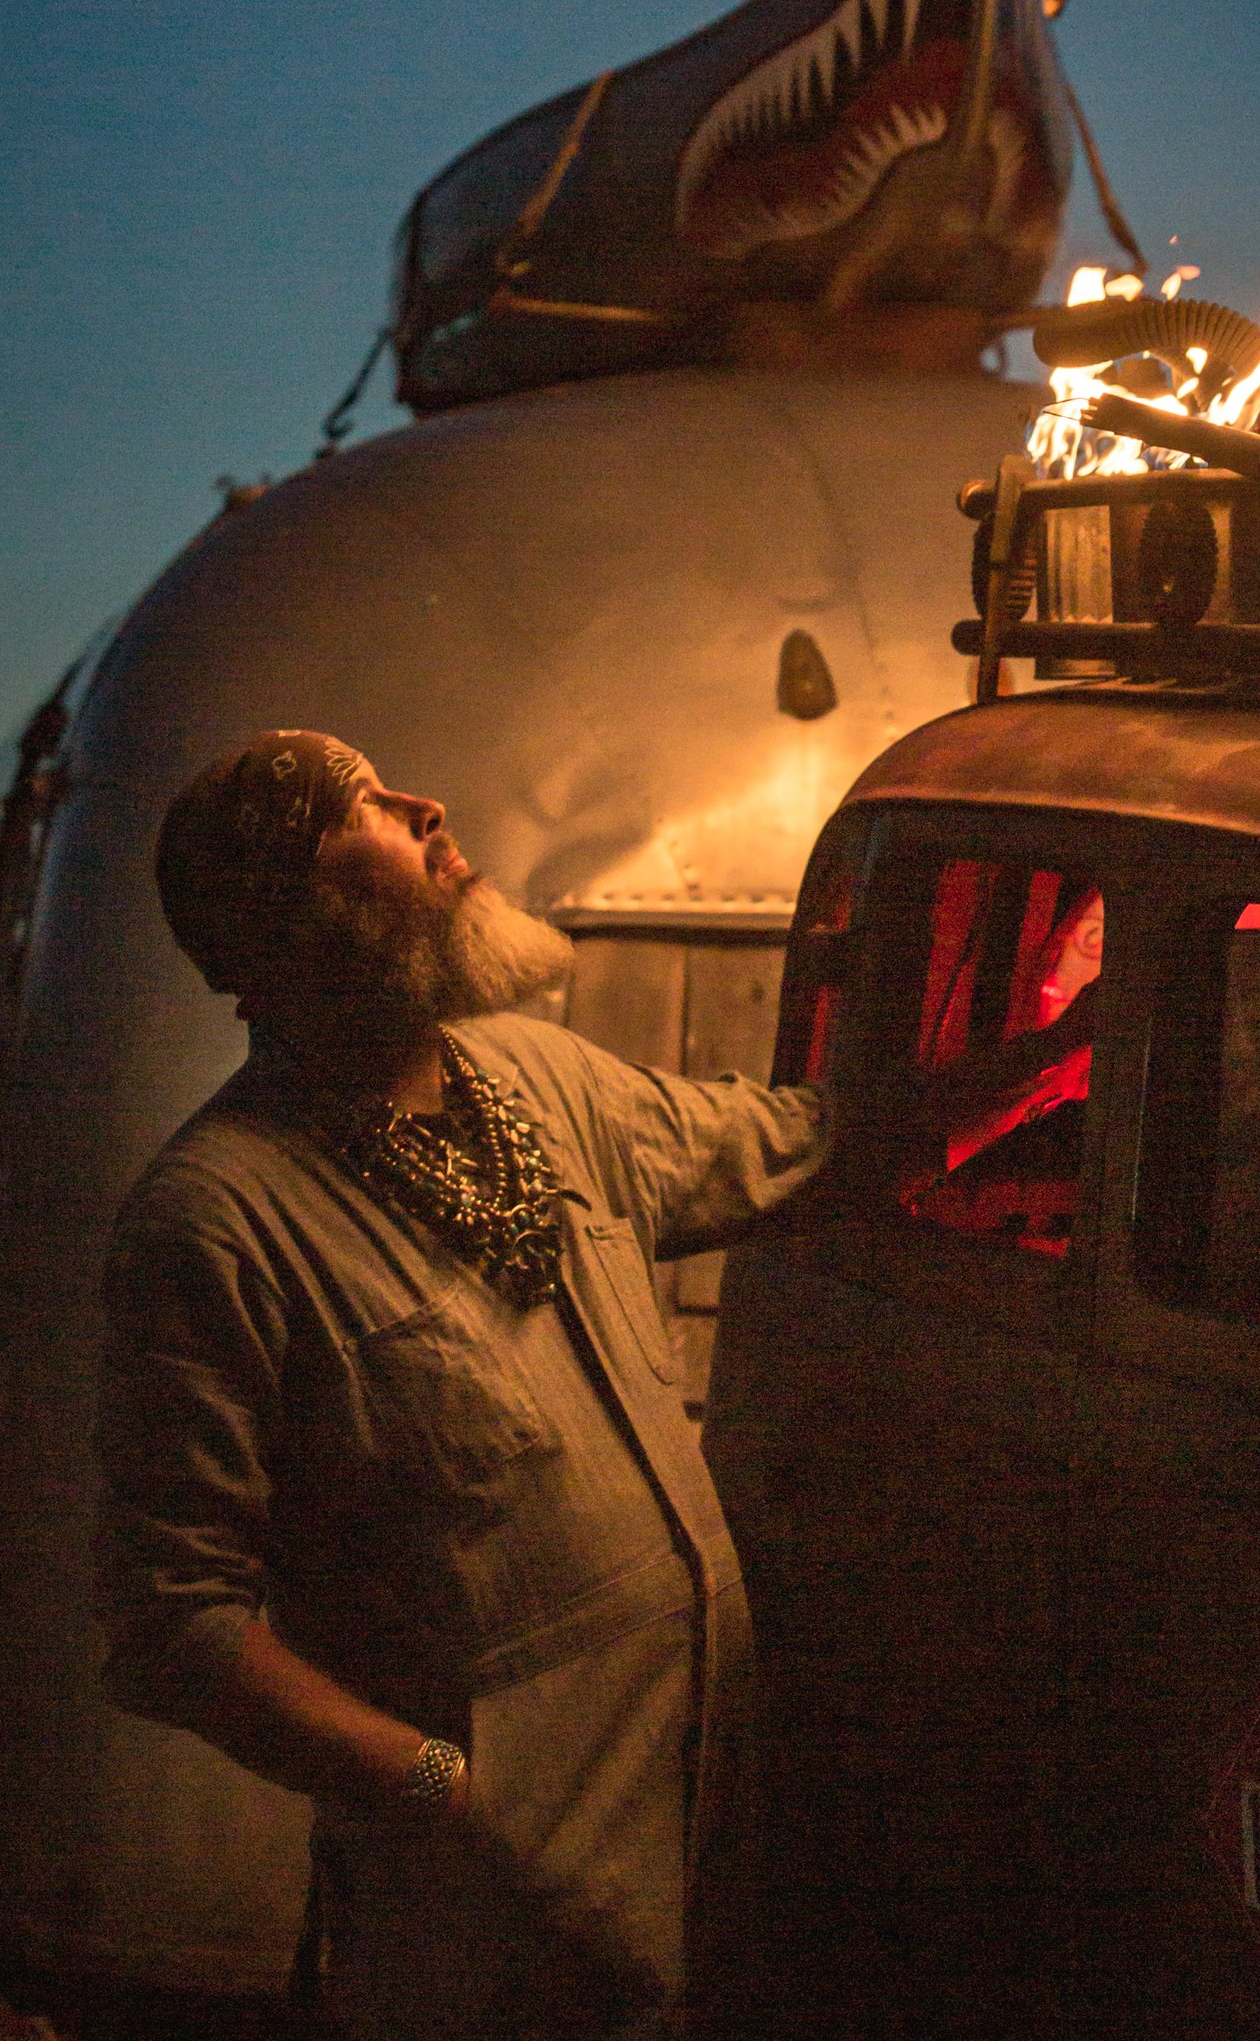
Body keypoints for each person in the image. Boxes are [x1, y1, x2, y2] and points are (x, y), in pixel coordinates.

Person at [96, 729, 832, 2040]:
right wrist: (449, 1787)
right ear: (296, 908)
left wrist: (1053, 1057)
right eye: (364, 803)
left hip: (694, 1863)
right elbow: (174, 1624)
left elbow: (790, 1143)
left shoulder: (541, 1081)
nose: (427, 803)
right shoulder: (213, 1221)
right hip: (483, 1939)